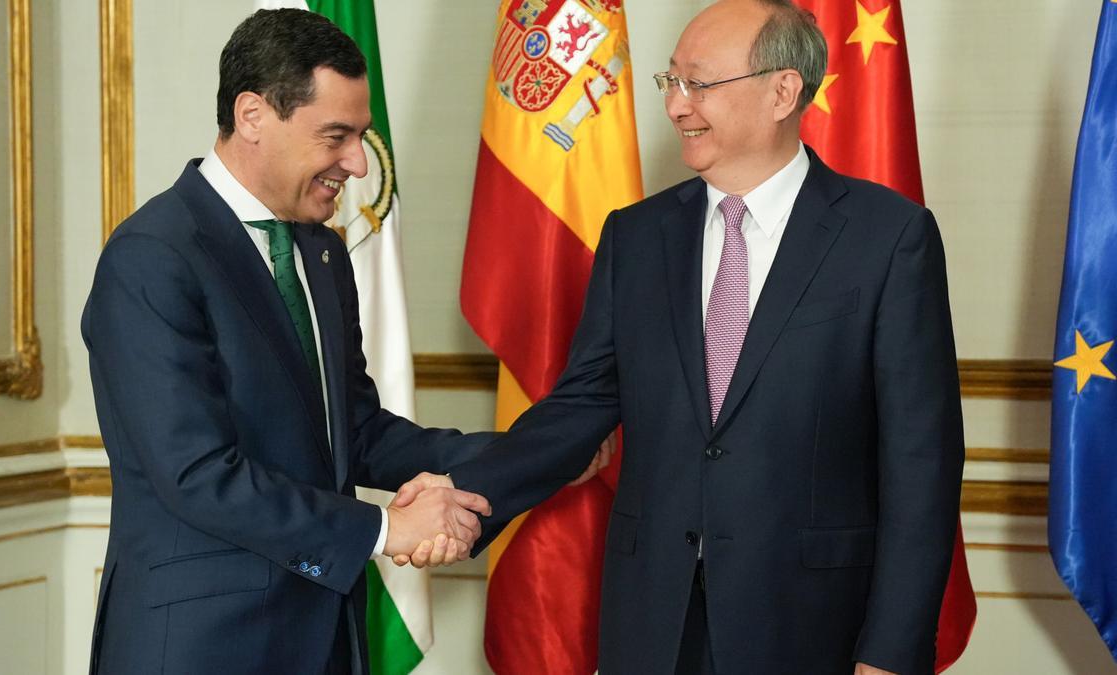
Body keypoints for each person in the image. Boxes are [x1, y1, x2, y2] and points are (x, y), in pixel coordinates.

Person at [396, 1, 964, 673]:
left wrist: (893, 650)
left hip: (812, 624)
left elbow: (921, 463)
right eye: (671, 82)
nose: (676, 106)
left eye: (700, 83)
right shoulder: (635, 238)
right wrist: (464, 492)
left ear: (783, 91)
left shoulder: (887, 238)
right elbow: (577, 410)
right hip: (653, 623)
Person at [82, 9, 495, 674]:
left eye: (361, 136)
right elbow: (197, 475)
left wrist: (529, 449)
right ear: (252, 116)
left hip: (323, 635)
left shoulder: (321, 256)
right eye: (336, 136)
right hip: (199, 648)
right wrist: (389, 529)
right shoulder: (152, 256)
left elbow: (354, 432)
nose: (358, 162)